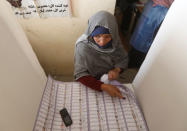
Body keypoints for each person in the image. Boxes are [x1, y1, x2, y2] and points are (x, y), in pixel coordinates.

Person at [74, 11, 128, 98]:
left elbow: (123, 58)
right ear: (91, 33)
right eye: (97, 36)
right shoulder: (83, 46)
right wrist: (103, 86)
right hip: (88, 81)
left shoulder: (115, 42)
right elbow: (80, 74)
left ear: (113, 34)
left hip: (108, 78)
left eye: (107, 36)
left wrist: (116, 70)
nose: (102, 42)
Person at [128, 0, 174, 68]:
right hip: (157, 12)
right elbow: (175, 5)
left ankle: (131, 62)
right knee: (145, 40)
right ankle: (134, 65)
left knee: (140, 36)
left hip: (151, 7)